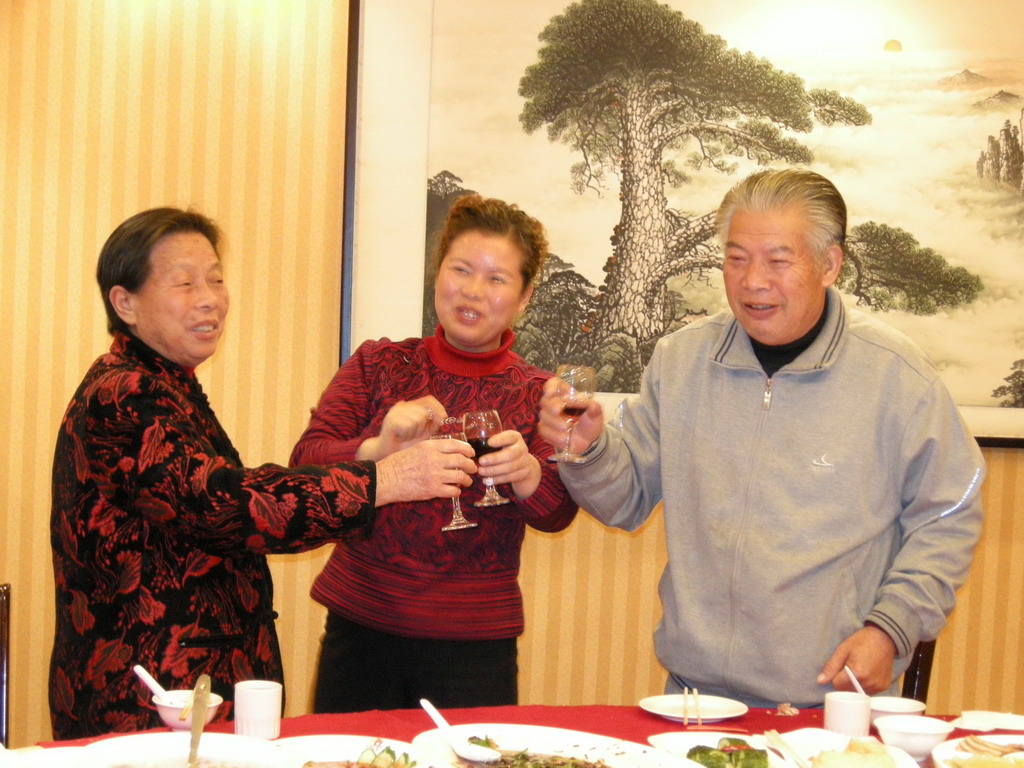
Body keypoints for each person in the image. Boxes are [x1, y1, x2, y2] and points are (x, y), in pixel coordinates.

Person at [537, 169, 985, 707]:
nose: (752, 281)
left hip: (832, 701)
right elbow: (625, 500)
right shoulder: (681, 362)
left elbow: (950, 512)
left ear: (829, 265)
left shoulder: (895, 376)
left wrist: (891, 628)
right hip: (694, 700)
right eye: (736, 257)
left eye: (778, 259)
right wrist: (588, 450)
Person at [49, 207, 475, 739]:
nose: (210, 298)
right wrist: (384, 480)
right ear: (125, 303)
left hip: (189, 696)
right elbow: (222, 505)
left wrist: (375, 462)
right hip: (152, 703)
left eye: (216, 278)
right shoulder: (125, 393)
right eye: (184, 283)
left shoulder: (166, 383)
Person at [290, 193, 578, 712]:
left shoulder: (540, 393)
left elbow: (557, 512)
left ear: (526, 294)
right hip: (361, 629)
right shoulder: (379, 363)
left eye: (496, 278)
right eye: (460, 269)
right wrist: (380, 447)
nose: (472, 291)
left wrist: (529, 473)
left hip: (475, 648)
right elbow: (305, 466)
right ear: (437, 272)